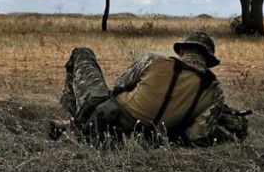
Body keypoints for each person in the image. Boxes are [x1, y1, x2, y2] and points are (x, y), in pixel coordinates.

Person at [50, 31, 248, 147]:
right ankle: (71, 126)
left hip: (105, 118)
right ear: (208, 60)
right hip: (144, 139)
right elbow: (198, 136)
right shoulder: (214, 91)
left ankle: (75, 122)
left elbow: (119, 85)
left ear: (182, 51)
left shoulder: (153, 61)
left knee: (82, 53)